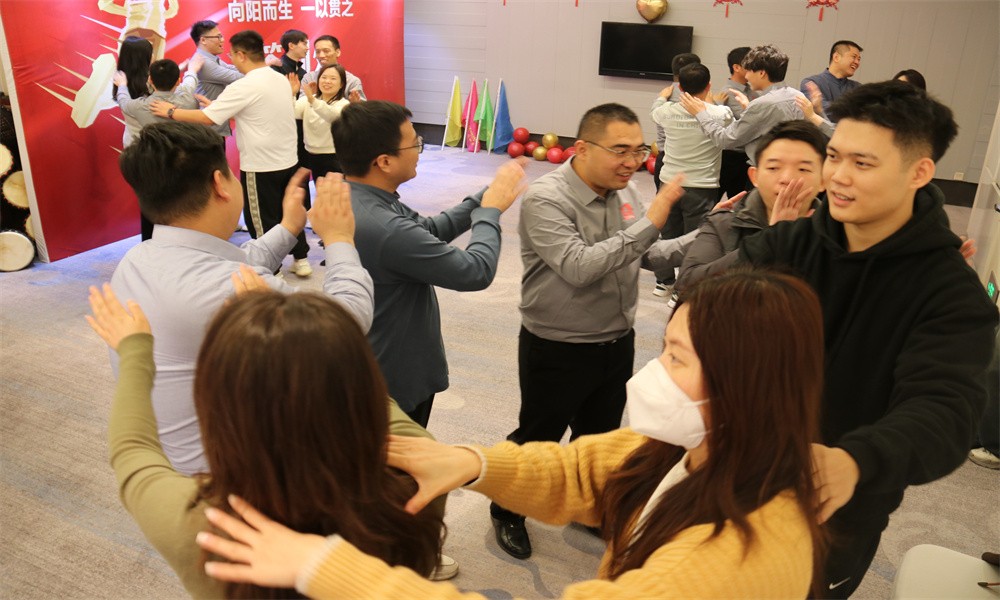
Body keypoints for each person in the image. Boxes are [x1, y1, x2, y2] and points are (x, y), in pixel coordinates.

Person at [195, 269, 830, 599]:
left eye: (677, 358)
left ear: (745, 386)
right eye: (663, 349)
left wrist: (325, 567)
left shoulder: (731, 561)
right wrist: (475, 463)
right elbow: (582, 471)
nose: (653, 373)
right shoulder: (694, 448)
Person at [737, 80, 998, 596]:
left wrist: (855, 460)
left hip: (836, 509)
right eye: (834, 157)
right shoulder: (789, 242)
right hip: (738, 472)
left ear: (919, 172)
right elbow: (708, 318)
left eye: (863, 163)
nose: (837, 176)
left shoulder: (950, 294)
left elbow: (945, 413)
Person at [87, 277, 444, 599]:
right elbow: (372, 402)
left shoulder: (200, 526)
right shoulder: (425, 476)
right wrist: (312, 344)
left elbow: (132, 449)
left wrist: (135, 351)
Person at [110, 121, 373, 477]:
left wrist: (288, 228)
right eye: (233, 175)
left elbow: (232, 262)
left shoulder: (136, 260)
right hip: (235, 478)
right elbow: (347, 324)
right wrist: (340, 237)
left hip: (172, 459)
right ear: (220, 184)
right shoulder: (229, 289)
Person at [490, 103, 684, 560]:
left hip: (615, 338)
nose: (632, 162)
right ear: (581, 148)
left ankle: (584, 508)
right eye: (620, 150)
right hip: (558, 343)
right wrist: (654, 219)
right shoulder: (547, 199)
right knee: (539, 437)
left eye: (638, 151)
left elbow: (642, 254)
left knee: (597, 439)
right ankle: (507, 508)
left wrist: (712, 233)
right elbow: (579, 266)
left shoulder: (625, 190)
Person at [333, 100, 525, 429]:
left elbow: (428, 231)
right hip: (393, 377)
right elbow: (474, 271)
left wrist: (487, 195)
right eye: (414, 143)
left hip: (381, 361)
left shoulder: (360, 196)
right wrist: (489, 213)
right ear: (384, 161)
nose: (419, 150)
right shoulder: (384, 227)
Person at [152, 30, 312, 278]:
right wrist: (217, 106)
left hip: (260, 165)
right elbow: (256, 110)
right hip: (288, 159)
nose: (231, 59)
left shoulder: (243, 85)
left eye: (231, 54)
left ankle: (272, 271)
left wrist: (171, 111)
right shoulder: (279, 78)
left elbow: (207, 119)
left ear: (241, 55)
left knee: (262, 220)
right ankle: (301, 259)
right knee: (289, 210)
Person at [676, 120, 826, 295]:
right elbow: (688, 285)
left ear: (824, 180)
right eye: (774, 167)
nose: (787, 178)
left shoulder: (837, 234)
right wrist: (769, 240)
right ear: (755, 177)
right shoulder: (723, 223)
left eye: (803, 169)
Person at [680, 44, 809, 167]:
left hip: (767, 169)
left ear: (761, 73)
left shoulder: (763, 104)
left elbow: (725, 139)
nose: (747, 76)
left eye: (749, 71)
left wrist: (701, 113)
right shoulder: (797, 95)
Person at [650, 63, 733, 242]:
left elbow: (654, 111)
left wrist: (661, 97)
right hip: (702, 187)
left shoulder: (665, 111)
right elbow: (731, 126)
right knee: (694, 241)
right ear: (709, 86)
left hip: (669, 182)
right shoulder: (721, 113)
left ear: (680, 87)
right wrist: (715, 103)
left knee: (668, 238)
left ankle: (665, 263)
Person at [111, 36, 155, 239]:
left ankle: (151, 241)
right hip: (145, 148)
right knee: (152, 200)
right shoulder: (137, 88)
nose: (153, 56)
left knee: (149, 198)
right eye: (150, 53)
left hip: (136, 144)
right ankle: (150, 241)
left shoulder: (124, 82)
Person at [114, 58, 200, 146]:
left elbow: (123, 101)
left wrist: (122, 85)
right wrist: (191, 71)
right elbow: (188, 85)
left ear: (150, 80)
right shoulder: (190, 102)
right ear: (178, 81)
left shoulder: (139, 106)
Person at [294, 64, 349, 178]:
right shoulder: (309, 99)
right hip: (310, 155)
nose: (327, 81)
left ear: (341, 84)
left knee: (332, 188)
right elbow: (292, 112)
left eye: (333, 78)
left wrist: (312, 100)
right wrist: (292, 94)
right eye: (324, 77)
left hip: (334, 156)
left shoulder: (344, 104)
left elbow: (331, 115)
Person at [188, 20, 242, 135]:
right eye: (218, 37)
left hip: (213, 127)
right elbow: (238, 77)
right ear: (203, 40)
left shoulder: (210, 58)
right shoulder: (204, 62)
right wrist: (260, 66)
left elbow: (234, 69)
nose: (222, 40)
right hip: (209, 131)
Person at [717, 46, 756, 200]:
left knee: (739, 200)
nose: (754, 68)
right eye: (750, 65)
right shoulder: (729, 92)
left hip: (745, 155)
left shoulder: (752, 91)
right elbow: (747, 122)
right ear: (736, 67)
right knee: (716, 200)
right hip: (730, 155)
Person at [800, 41, 863, 115]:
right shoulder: (811, 83)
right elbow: (823, 111)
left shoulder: (858, 88)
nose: (857, 62)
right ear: (836, 57)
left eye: (859, 59)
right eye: (854, 57)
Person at [301, 35, 366, 102]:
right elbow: (300, 104)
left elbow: (362, 107)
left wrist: (354, 105)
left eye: (326, 51)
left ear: (337, 52)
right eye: (318, 52)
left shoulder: (352, 81)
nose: (321, 55)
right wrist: (311, 97)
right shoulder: (309, 78)